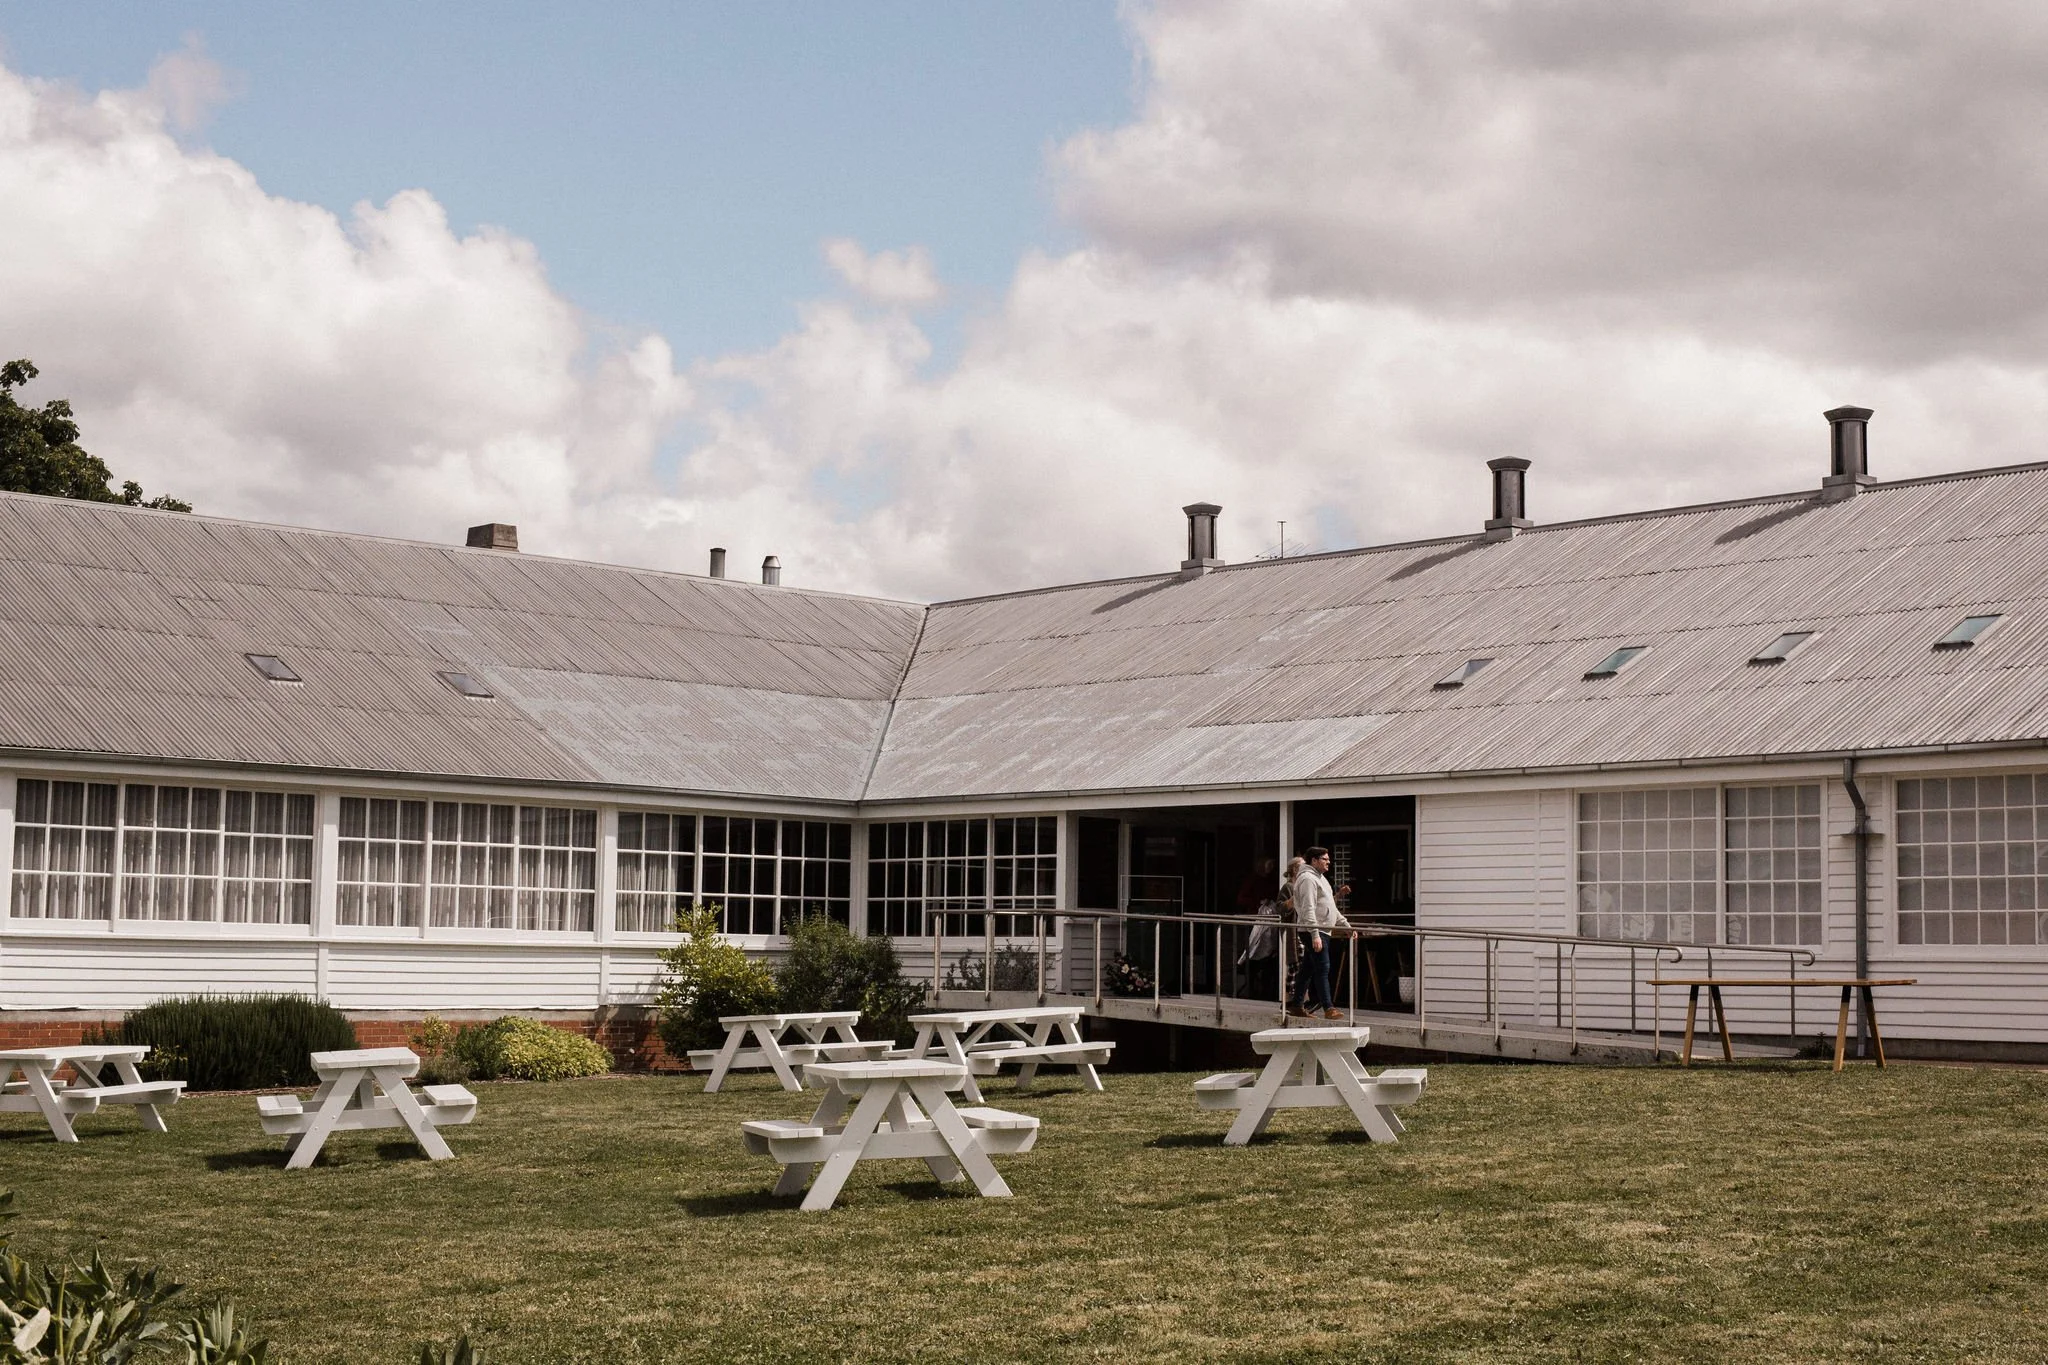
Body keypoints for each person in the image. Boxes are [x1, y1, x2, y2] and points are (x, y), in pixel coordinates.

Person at [1288, 846, 1352, 1020]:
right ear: (1314, 860)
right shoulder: (1308, 879)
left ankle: (1296, 1006)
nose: (1329, 862)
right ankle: (1328, 1008)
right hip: (1313, 930)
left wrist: (1346, 926)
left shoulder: (1321, 879)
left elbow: (1330, 906)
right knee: (1323, 967)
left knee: (1308, 969)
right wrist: (1315, 934)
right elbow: (1308, 908)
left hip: (1323, 930)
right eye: (1325, 859)